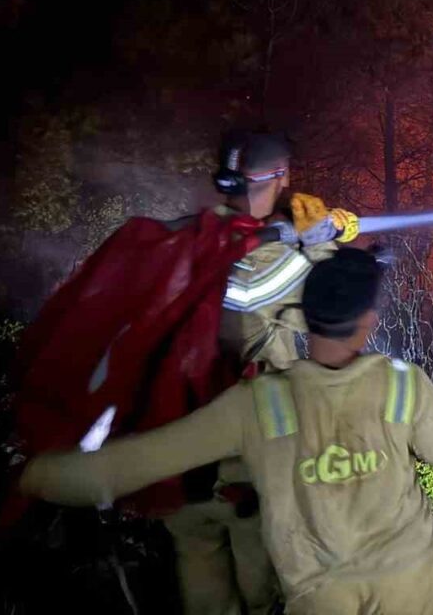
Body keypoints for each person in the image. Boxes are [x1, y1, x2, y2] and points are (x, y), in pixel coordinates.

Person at [19, 248, 433, 615]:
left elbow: (128, 465)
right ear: (367, 324)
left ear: (303, 318)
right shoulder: (405, 386)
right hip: (419, 588)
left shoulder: (259, 404)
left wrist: (32, 476)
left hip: (326, 599)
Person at [163, 130, 357, 615]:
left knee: (201, 588)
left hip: (180, 459)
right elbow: (324, 309)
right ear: (283, 174)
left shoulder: (188, 234)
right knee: (262, 592)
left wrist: (293, 232)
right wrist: (319, 246)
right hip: (247, 469)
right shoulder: (268, 258)